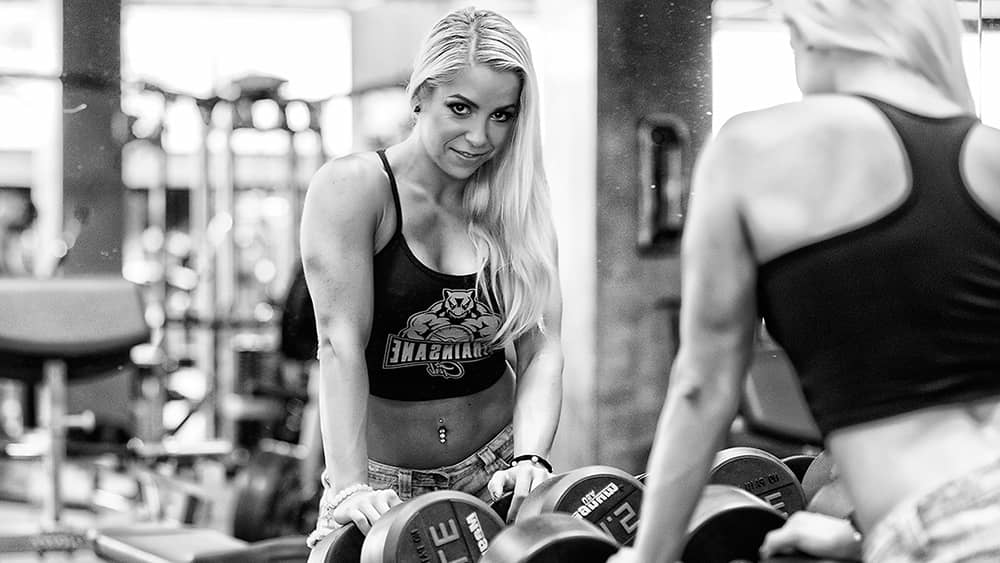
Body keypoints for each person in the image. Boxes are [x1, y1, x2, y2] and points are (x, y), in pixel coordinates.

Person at [609, 0, 1000, 561]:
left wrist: (649, 555)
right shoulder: (991, 154)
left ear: (812, 28)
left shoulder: (751, 149)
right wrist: (863, 537)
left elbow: (703, 387)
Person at [300, 6, 564, 547]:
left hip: (498, 473)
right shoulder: (355, 189)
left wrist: (530, 459)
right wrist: (349, 487)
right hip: (379, 488)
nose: (479, 137)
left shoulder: (516, 205)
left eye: (502, 115)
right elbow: (339, 344)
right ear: (421, 95)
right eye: (460, 108)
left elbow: (540, 348)